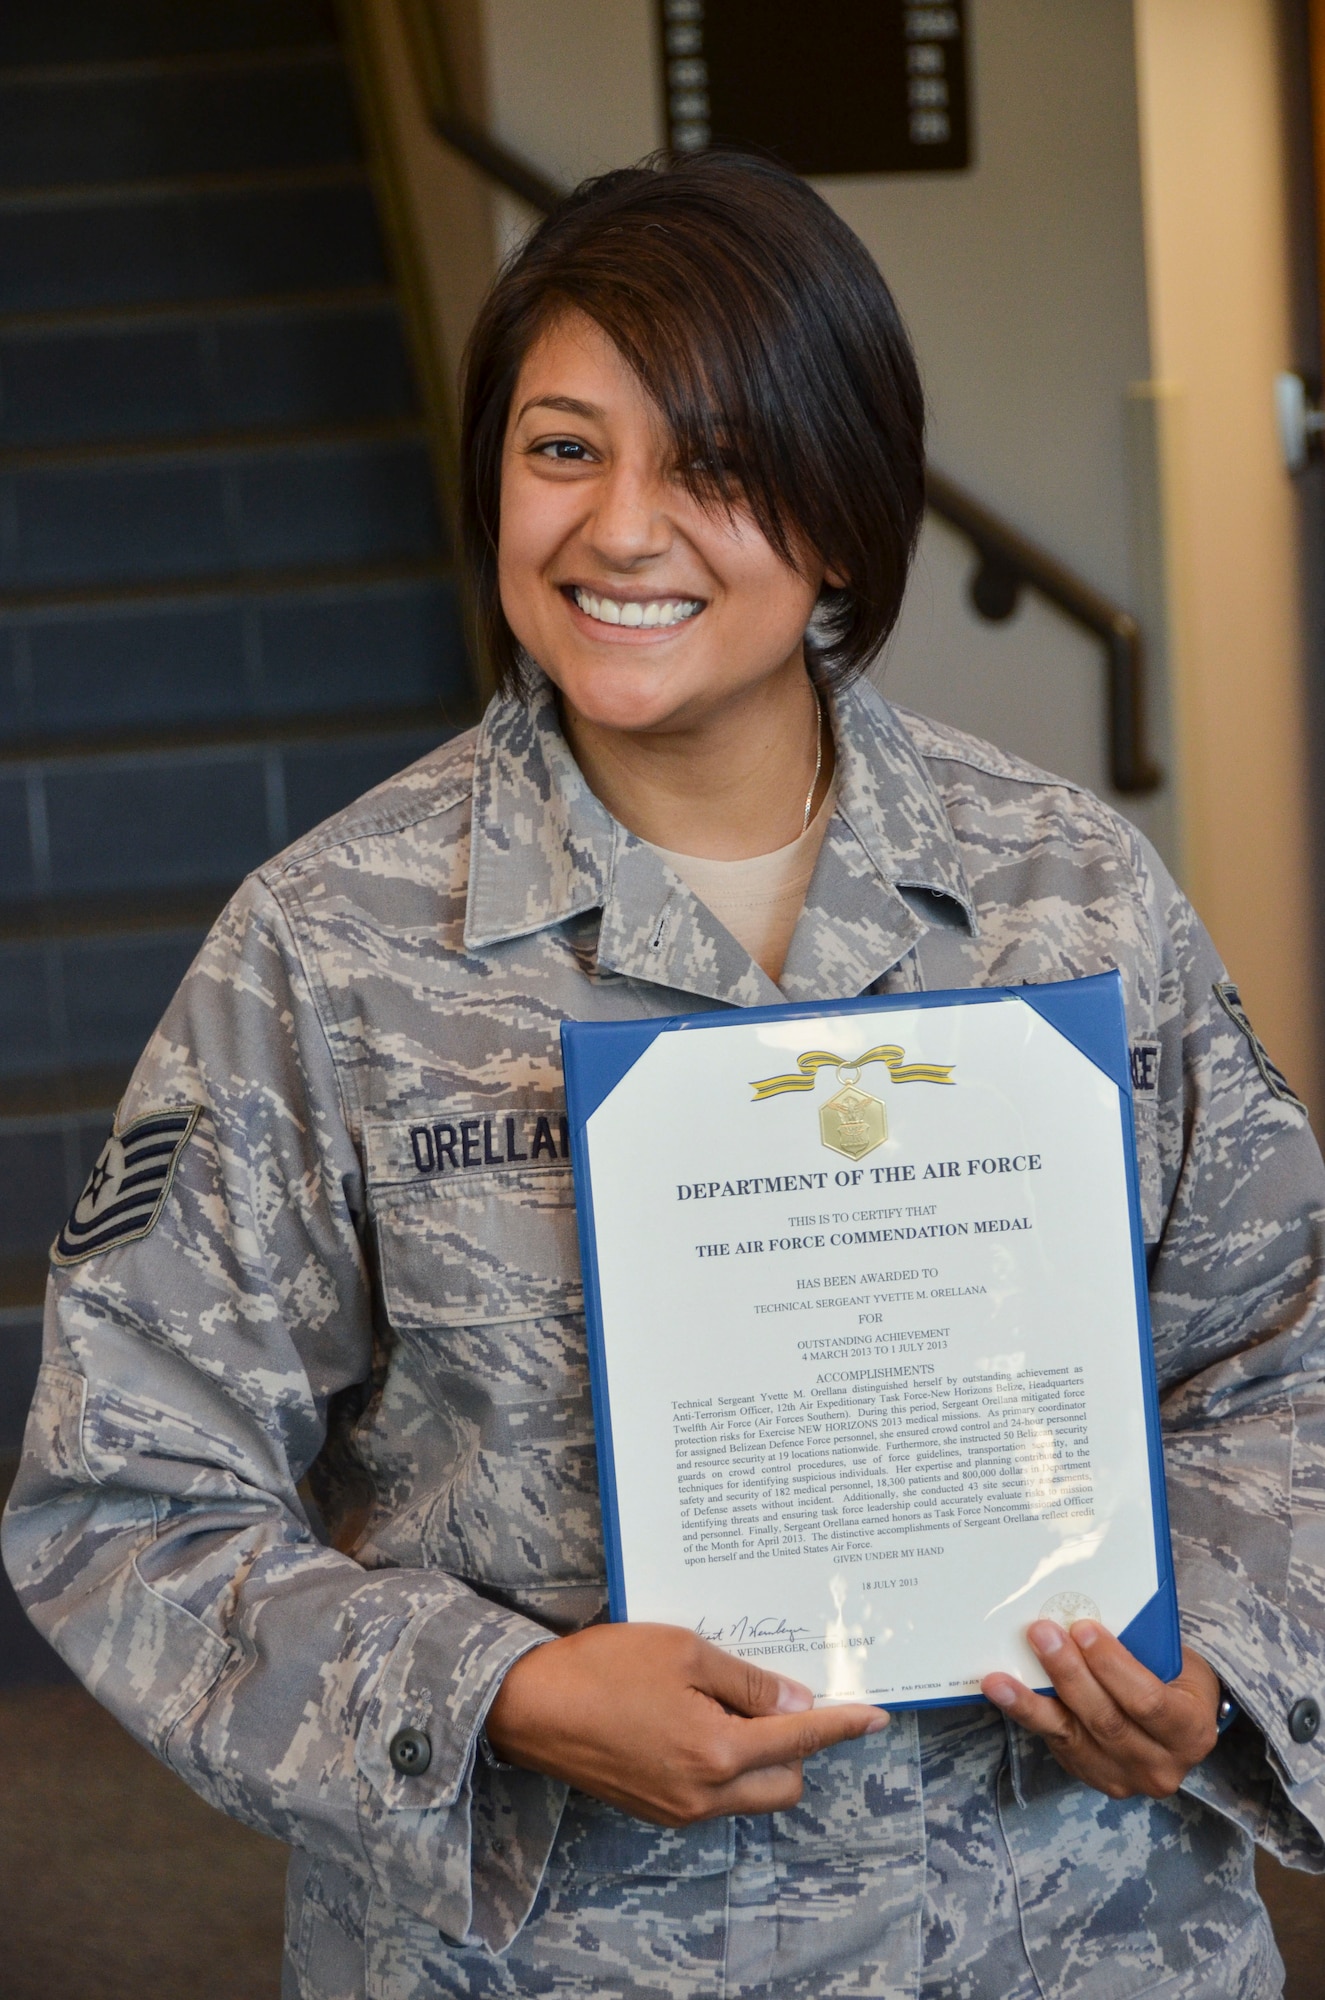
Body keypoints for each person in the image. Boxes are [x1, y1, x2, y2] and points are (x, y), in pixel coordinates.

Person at [4, 151, 1325, 2000]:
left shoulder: (1066, 895)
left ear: (846, 516)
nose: (622, 529)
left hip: (1076, 1937)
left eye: (712, 464)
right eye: (562, 450)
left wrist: (1220, 1661)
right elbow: (125, 1502)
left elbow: (1287, 1361)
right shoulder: (325, 948)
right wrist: (505, 1694)